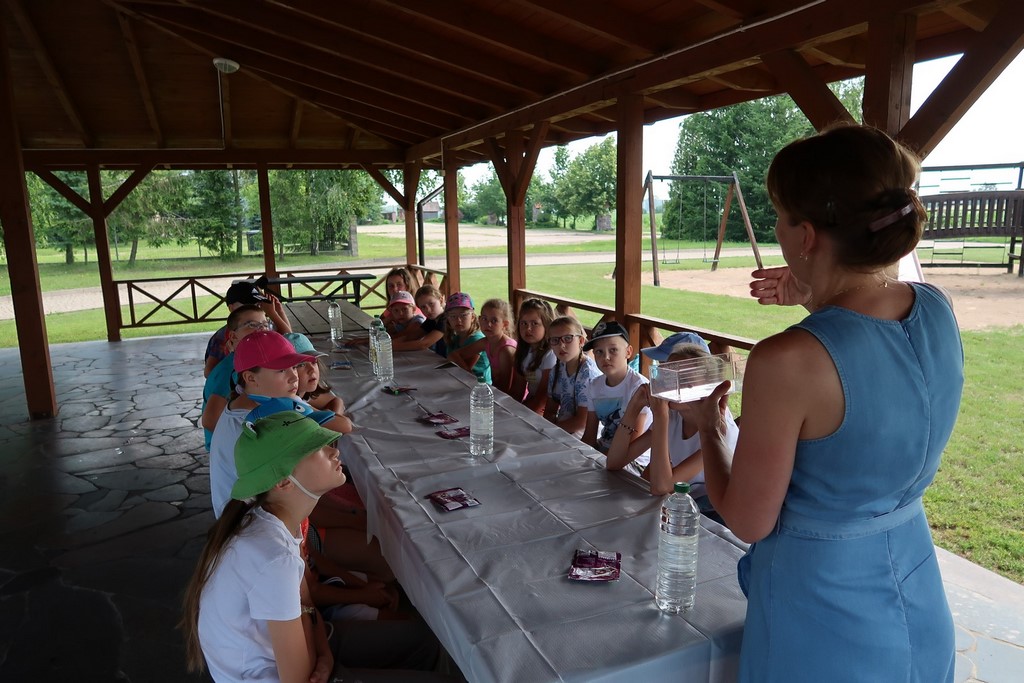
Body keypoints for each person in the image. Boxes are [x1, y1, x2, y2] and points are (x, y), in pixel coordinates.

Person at [693, 124, 964, 682]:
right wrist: (815, 291)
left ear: (807, 236)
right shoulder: (937, 309)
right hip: (914, 585)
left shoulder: (786, 360)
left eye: (780, 215)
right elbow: (872, 340)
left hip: (821, 614)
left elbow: (748, 518)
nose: (775, 227)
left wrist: (710, 429)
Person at [181, 412, 447, 682]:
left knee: (426, 643)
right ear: (283, 481)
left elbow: (307, 604)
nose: (333, 451)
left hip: (308, 648)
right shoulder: (273, 557)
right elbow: (298, 678)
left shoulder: (280, 521)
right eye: (317, 449)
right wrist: (324, 657)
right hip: (285, 675)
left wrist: (325, 653)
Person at [209, 330, 352, 517]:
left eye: (294, 367)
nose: (294, 377)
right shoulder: (258, 423)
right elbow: (294, 491)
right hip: (254, 520)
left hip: (272, 505)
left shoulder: (264, 398)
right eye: (282, 370)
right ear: (250, 378)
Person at [607, 334, 739, 519]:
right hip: (684, 506)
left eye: (683, 379)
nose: (668, 386)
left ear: (706, 385)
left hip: (717, 516)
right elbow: (614, 462)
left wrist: (660, 415)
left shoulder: (717, 426)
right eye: (666, 376)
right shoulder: (675, 415)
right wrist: (633, 408)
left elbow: (661, 487)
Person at [581, 321, 651, 470]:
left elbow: (633, 442)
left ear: (628, 352)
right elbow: (589, 435)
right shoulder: (594, 385)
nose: (606, 357)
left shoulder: (639, 387)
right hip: (603, 450)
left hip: (633, 460)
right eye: (599, 352)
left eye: (613, 350)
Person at [201, 304, 270, 450]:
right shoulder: (229, 371)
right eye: (252, 325)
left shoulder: (248, 363)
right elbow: (210, 421)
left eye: (265, 324)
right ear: (233, 336)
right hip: (232, 447)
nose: (261, 330)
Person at [204, 281, 292, 377]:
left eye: (257, 305)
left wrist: (278, 311)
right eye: (247, 305)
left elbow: (290, 339)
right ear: (231, 308)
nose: (253, 309)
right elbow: (208, 372)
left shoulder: (263, 328)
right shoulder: (222, 337)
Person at [543, 316, 600, 438]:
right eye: (555, 340)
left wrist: (549, 430)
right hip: (561, 428)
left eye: (568, 338)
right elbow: (550, 410)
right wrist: (547, 428)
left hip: (582, 435)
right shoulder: (557, 369)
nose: (561, 345)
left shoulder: (587, 374)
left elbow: (582, 422)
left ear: (581, 341)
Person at [449, 298, 517, 393]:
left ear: (504, 324)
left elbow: (505, 388)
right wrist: (469, 373)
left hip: (511, 397)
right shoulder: (486, 341)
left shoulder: (505, 350)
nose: (488, 324)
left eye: (494, 320)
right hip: (495, 391)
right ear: (479, 319)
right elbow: (453, 355)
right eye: (484, 319)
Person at [509, 298, 556, 412]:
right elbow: (517, 390)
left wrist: (518, 413)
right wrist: (508, 409)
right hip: (530, 405)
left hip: (547, 411)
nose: (528, 329)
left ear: (547, 325)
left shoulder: (551, 354)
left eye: (535, 323)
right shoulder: (524, 351)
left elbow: (542, 399)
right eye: (524, 323)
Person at [287, 333, 345, 416]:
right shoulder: (288, 402)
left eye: (314, 362)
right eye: (301, 365)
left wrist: (334, 416)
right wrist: (334, 419)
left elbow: (336, 401)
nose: (312, 370)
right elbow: (343, 423)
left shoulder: (303, 392)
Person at [443, 292, 491, 383]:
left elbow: (464, 371)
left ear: (472, 317)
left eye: (463, 315)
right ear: (448, 319)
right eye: (453, 316)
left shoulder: (476, 339)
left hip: (480, 385)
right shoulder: (454, 338)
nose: (458, 320)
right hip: (461, 381)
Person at [390, 285, 447, 356]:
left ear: (441, 300)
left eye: (431, 304)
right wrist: (388, 343)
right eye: (423, 307)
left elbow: (424, 344)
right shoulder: (432, 319)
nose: (428, 310)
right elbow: (412, 336)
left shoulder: (446, 319)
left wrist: (391, 347)